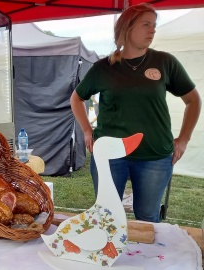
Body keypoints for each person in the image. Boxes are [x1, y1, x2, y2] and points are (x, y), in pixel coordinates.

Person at [70, 3, 201, 222]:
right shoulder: (104, 67)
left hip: (155, 155)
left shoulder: (164, 62)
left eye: (154, 25)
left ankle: (146, 257)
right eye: (146, 24)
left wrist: (184, 139)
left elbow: (193, 100)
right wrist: (86, 130)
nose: (153, 30)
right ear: (127, 28)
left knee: (148, 218)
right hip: (110, 155)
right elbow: (77, 97)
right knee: (106, 217)